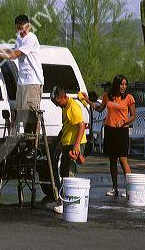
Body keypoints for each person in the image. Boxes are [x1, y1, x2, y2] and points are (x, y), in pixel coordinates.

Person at [0, 14, 43, 146]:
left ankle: (32, 145)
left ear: (29, 26)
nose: (22, 31)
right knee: (21, 113)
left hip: (32, 81)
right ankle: (25, 143)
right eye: (19, 28)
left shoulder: (31, 38)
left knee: (31, 114)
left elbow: (15, 55)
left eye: (24, 28)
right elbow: (13, 49)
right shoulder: (20, 38)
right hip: (22, 81)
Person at [83, 75, 136, 197]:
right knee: (112, 160)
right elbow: (99, 109)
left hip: (122, 131)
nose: (124, 87)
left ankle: (130, 189)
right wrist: (88, 101)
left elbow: (133, 116)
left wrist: (124, 121)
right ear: (116, 84)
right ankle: (115, 188)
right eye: (121, 84)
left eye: (125, 84)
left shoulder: (129, 98)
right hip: (109, 130)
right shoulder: (108, 96)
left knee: (123, 160)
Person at [50, 86, 87, 214]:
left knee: (69, 173)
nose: (56, 105)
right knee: (63, 171)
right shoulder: (64, 106)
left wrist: (76, 146)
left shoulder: (72, 107)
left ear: (63, 97)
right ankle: (63, 200)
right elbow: (67, 126)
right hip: (67, 142)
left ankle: (67, 204)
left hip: (74, 143)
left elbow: (82, 125)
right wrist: (60, 141)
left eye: (56, 102)